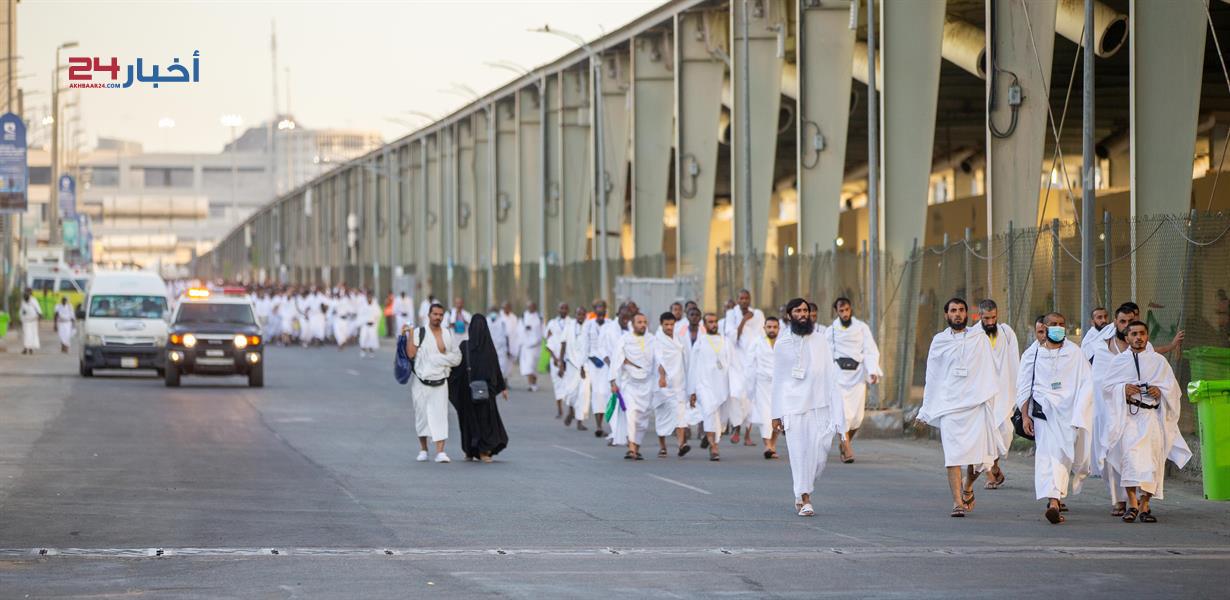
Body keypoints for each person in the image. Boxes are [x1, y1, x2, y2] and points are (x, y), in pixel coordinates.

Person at [1098, 321, 1192, 523]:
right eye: (1134, 334)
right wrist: (1123, 389)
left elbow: (1174, 390)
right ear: (1127, 337)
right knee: (1130, 459)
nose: (1138, 337)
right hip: (1129, 417)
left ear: (1147, 336)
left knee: (1152, 462)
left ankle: (1145, 505)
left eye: (1142, 333)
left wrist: (1161, 392)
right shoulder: (1118, 362)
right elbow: (1106, 388)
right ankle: (1132, 503)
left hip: (1151, 418)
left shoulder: (1159, 362)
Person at [917, 298, 1002, 517]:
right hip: (950, 408)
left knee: (978, 460)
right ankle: (957, 502)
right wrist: (925, 410)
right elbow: (933, 376)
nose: (957, 314)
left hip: (976, 405)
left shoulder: (979, 338)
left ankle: (968, 485)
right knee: (953, 456)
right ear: (946, 315)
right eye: (953, 311)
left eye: (961, 310)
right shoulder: (939, 341)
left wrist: (988, 401)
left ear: (967, 314)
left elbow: (990, 371)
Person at [1017, 312, 1095, 524]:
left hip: (1070, 415)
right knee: (1048, 455)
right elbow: (1024, 388)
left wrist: (1080, 410)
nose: (1058, 327)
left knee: (1065, 456)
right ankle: (1053, 501)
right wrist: (1025, 416)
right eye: (1053, 324)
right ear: (1045, 327)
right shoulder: (1032, 355)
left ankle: (1056, 497)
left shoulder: (1075, 353)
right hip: (1045, 414)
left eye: (1062, 324)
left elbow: (1089, 383)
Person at [771, 298, 845, 517]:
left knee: (819, 454)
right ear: (789, 315)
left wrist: (836, 407)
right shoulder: (782, 343)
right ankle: (804, 497)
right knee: (798, 454)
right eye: (798, 310)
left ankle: (803, 488)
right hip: (793, 408)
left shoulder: (820, 340)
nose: (803, 314)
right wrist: (775, 415)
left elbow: (830, 375)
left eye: (806, 310)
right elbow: (777, 381)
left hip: (819, 405)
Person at [970, 299, 1019, 489]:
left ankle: (995, 464)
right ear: (979, 316)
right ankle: (989, 475)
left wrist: (1017, 389)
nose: (990, 322)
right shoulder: (972, 334)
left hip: (1004, 391)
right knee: (982, 434)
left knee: (1004, 433)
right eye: (986, 318)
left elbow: (1015, 360)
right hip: (981, 393)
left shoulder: (1007, 332)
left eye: (993, 318)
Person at [448, 315, 510, 463]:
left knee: (474, 422)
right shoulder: (472, 347)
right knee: (481, 422)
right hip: (480, 393)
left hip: (475, 393)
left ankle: (480, 451)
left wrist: (503, 387)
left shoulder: (474, 347)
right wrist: (502, 388)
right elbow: (456, 365)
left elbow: (495, 370)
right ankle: (474, 451)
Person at [827, 297, 883, 463]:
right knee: (841, 414)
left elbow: (870, 350)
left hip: (857, 376)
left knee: (857, 417)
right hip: (838, 375)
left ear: (851, 310)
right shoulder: (831, 331)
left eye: (847, 310)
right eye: (841, 311)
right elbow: (825, 355)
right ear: (836, 311)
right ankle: (847, 449)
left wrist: (872, 370)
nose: (844, 313)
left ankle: (845, 443)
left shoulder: (861, 328)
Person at [405, 303, 462, 463]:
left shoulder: (447, 334)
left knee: (440, 416)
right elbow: (411, 354)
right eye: (435, 314)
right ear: (429, 315)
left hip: (440, 382)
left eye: (440, 315)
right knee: (422, 415)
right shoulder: (419, 332)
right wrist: (410, 334)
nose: (437, 317)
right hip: (421, 383)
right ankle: (423, 449)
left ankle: (440, 451)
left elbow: (456, 358)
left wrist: (438, 359)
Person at [687, 312, 734, 461]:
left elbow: (734, 364)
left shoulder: (726, 341)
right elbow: (693, 367)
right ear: (705, 324)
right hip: (704, 385)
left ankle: (711, 436)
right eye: (710, 322)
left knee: (720, 421)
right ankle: (714, 447)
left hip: (722, 385)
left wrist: (737, 385)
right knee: (709, 413)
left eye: (715, 322)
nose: (714, 324)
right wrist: (692, 391)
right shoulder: (700, 342)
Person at [610, 313, 656, 460]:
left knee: (642, 418)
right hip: (630, 383)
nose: (642, 325)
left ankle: (636, 446)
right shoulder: (625, 340)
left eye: (645, 322)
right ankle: (631, 448)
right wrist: (613, 381)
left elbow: (659, 360)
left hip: (647, 384)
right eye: (639, 322)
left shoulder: (653, 340)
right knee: (631, 414)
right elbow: (616, 360)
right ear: (633, 324)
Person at [723, 289, 764, 446]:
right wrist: (744, 320)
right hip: (736, 361)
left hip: (752, 361)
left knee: (750, 398)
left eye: (747, 298)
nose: (744, 301)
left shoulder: (758, 314)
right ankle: (736, 427)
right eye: (741, 298)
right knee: (736, 395)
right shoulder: (731, 314)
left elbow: (761, 336)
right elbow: (732, 337)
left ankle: (747, 434)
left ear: (750, 299)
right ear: (738, 300)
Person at [580, 300, 620, 437]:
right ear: (594, 310)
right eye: (597, 307)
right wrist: (582, 364)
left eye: (602, 307)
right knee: (597, 393)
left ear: (605, 309)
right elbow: (585, 345)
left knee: (607, 393)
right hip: (593, 363)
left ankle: (614, 425)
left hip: (607, 363)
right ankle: (598, 426)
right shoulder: (588, 325)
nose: (600, 309)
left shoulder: (611, 324)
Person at [652, 311, 689, 458]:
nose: (669, 327)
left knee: (680, 414)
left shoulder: (678, 338)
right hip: (663, 384)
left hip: (679, 383)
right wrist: (662, 377)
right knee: (662, 415)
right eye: (666, 324)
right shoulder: (657, 341)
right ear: (661, 325)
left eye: (671, 324)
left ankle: (681, 444)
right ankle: (662, 446)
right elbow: (659, 360)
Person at [749, 316, 781, 459]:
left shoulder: (783, 344)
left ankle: (772, 444)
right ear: (764, 328)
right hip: (762, 384)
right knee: (765, 416)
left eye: (775, 327)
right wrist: (749, 386)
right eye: (769, 327)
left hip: (780, 385)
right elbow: (749, 364)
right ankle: (767, 446)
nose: (772, 330)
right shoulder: (757, 343)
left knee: (778, 416)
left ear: (779, 328)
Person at [561, 306, 590, 430]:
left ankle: (580, 421)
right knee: (571, 392)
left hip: (586, 365)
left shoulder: (589, 327)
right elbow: (563, 343)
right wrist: (561, 362)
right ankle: (571, 411)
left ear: (586, 315)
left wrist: (583, 366)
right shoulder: (569, 326)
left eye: (583, 314)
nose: (581, 317)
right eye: (579, 314)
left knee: (583, 393)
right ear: (575, 314)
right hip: (571, 365)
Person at [544, 302, 571, 419]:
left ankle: (571, 409)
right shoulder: (552, 323)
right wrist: (554, 358)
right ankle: (560, 410)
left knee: (570, 384)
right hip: (555, 358)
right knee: (557, 384)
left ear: (568, 310)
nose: (563, 310)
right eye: (561, 308)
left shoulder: (572, 323)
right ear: (558, 309)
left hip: (569, 359)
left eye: (565, 308)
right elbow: (548, 341)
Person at [519, 302, 544, 392]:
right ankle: (531, 384)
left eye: (533, 306)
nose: (531, 308)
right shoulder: (523, 316)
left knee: (534, 367)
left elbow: (542, 330)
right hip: (526, 346)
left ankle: (534, 383)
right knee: (528, 366)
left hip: (536, 346)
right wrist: (526, 328)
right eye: (529, 306)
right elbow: (519, 329)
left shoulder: (539, 317)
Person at [499, 302, 522, 380]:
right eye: (505, 307)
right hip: (501, 344)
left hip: (513, 343)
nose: (507, 309)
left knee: (509, 364)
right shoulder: (499, 317)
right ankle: (501, 381)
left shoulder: (514, 317)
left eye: (508, 307)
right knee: (502, 363)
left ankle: (505, 380)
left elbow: (517, 331)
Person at [358, 293, 382, 358]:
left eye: (370, 297)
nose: (369, 299)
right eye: (368, 297)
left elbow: (379, 315)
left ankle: (371, 351)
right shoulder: (363, 306)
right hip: (365, 325)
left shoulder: (375, 306)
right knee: (363, 338)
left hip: (372, 325)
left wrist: (375, 321)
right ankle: (363, 350)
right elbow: (360, 315)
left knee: (372, 338)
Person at [19, 290, 42, 355]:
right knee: (26, 334)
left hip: (33, 321)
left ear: (29, 296)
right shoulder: (23, 302)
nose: (25, 298)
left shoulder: (34, 301)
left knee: (32, 334)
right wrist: (21, 317)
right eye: (24, 297)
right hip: (26, 321)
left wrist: (40, 317)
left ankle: (31, 349)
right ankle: (25, 348)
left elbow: (38, 309)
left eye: (26, 297)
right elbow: (21, 311)